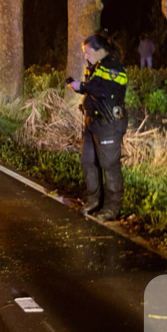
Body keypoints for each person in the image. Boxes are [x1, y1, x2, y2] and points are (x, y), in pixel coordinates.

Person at [66, 34, 128, 222]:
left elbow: (106, 91)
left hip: (108, 123)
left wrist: (83, 86)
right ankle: (94, 202)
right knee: (88, 163)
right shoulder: (95, 68)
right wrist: (79, 87)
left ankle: (112, 208)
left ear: (101, 50)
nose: (86, 56)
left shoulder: (113, 68)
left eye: (88, 52)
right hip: (92, 122)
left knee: (109, 165)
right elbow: (93, 89)